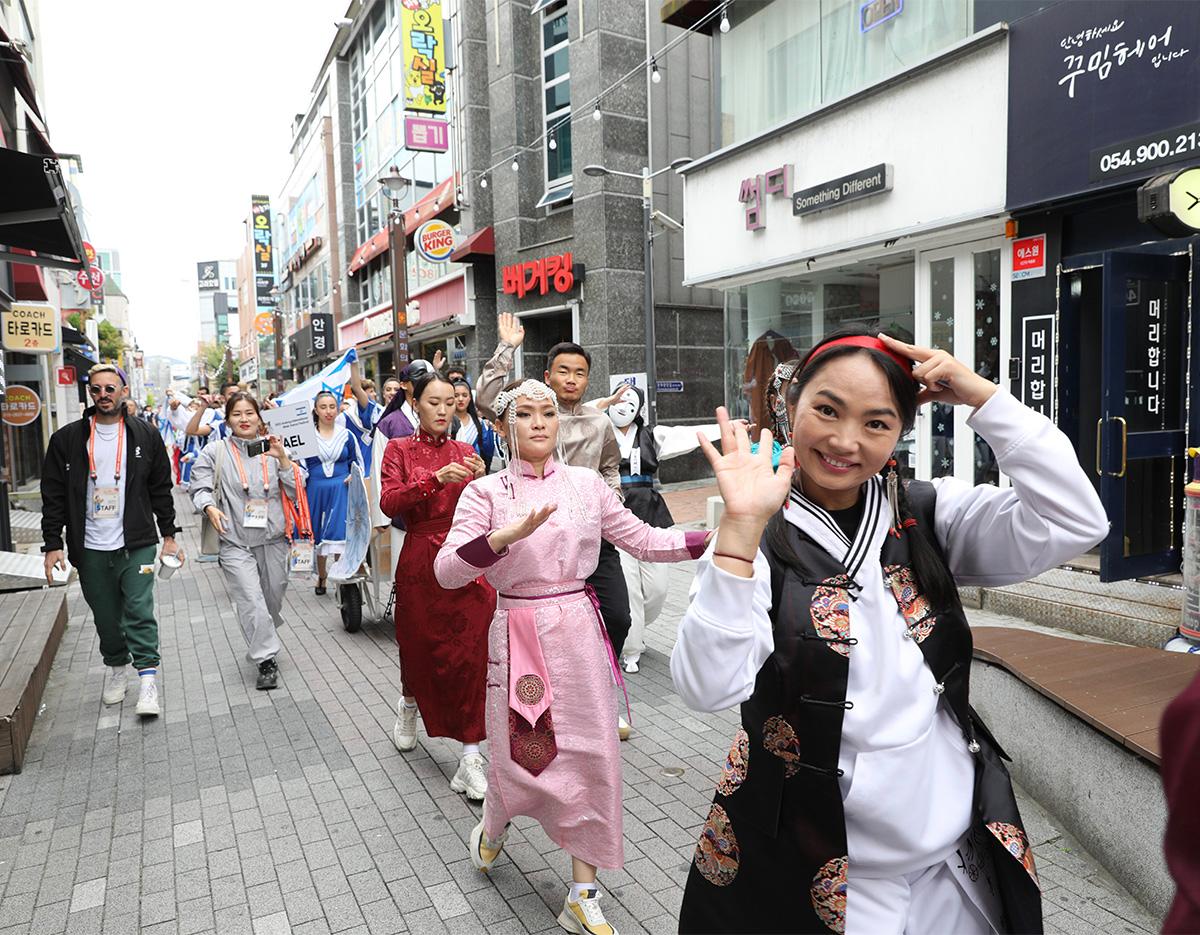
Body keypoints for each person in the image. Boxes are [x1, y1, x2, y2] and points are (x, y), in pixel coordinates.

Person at [671, 327, 1110, 934]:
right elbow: (706, 688)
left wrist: (985, 399)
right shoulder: (759, 538)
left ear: (901, 431)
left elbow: (1075, 519)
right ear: (789, 405)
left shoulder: (927, 514)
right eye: (826, 409)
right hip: (821, 870)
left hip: (950, 863)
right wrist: (739, 535)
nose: (845, 441)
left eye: (876, 423)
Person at [435, 378, 709, 935]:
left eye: (549, 413)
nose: (540, 422)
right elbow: (446, 572)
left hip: (580, 632)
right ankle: (494, 824)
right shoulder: (484, 494)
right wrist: (502, 538)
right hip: (518, 632)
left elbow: (643, 539)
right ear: (506, 425)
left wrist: (716, 537)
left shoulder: (586, 485)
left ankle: (583, 892)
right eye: (527, 414)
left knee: (592, 754)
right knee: (522, 751)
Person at [476, 314, 634, 737]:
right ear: (547, 376)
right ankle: (553, 709)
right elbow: (489, 402)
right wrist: (506, 348)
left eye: (580, 373)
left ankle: (601, 688)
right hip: (534, 541)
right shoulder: (529, 408)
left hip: (591, 535)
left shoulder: (599, 423)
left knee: (617, 617)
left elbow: (611, 470)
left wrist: (611, 504)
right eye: (563, 370)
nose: (571, 379)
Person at [40, 362, 180, 717]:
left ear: (123, 391)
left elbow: (161, 488)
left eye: (110, 388)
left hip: (137, 542)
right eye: (97, 389)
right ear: (91, 393)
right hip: (88, 547)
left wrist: (169, 535)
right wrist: (53, 544)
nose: (103, 394)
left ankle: (148, 682)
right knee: (106, 617)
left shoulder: (144, 435)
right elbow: (53, 495)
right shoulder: (67, 439)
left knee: (138, 610)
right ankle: (117, 669)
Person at [378, 371, 494, 797]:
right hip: (421, 557)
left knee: (471, 655)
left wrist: (484, 479)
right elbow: (389, 501)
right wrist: (434, 480)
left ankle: (469, 755)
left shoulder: (465, 449)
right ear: (416, 404)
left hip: (465, 558)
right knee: (417, 645)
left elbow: (487, 505)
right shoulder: (398, 449)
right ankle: (409, 704)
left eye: (450, 401)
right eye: (434, 402)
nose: (444, 409)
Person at [591, 383, 720, 673]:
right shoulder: (596, 429)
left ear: (638, 409)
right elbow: (579, 414)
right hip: (615, 518)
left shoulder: (652, 435)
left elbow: (688, 435)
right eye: (618, 400)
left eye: (630, 402)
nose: (623, 406)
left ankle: (636, 626)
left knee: (657, 590)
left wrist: (728, 428)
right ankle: (631, 649)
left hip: (650, 515)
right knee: (630, 591)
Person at [188, 392, 303, 690]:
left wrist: (284, 462)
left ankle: (262, 629)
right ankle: (266, 659)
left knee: (272, 598)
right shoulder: (216, 451)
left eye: (249, 413)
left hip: (274, 539)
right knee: (251, 600)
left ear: (259, 417)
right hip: (235, 541)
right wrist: (208, 506)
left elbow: (297, 490)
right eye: (237, 414)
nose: (244, 419)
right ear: (227, 420)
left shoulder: (275, 447)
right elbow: (198, 486)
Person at [304, 389, 365, 595]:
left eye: (332, 406)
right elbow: (299, 465)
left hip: (342, 489)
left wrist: (353, 476)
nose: (328, 411)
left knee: (340, 534)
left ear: (338, 408)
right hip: (315, 491)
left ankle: (341, 579)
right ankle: (321, 576)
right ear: (316, 410)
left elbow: (358, 463)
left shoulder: (347, 435)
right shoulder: (306, 436)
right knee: (319, 534)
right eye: (323, 407)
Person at [451, 379, 497, 473]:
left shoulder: (481, 425)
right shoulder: (445, 423)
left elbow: (487, 455)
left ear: (470, 398)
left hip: (474, 474)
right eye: (456, 395)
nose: (460, 399)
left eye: (464, 395)